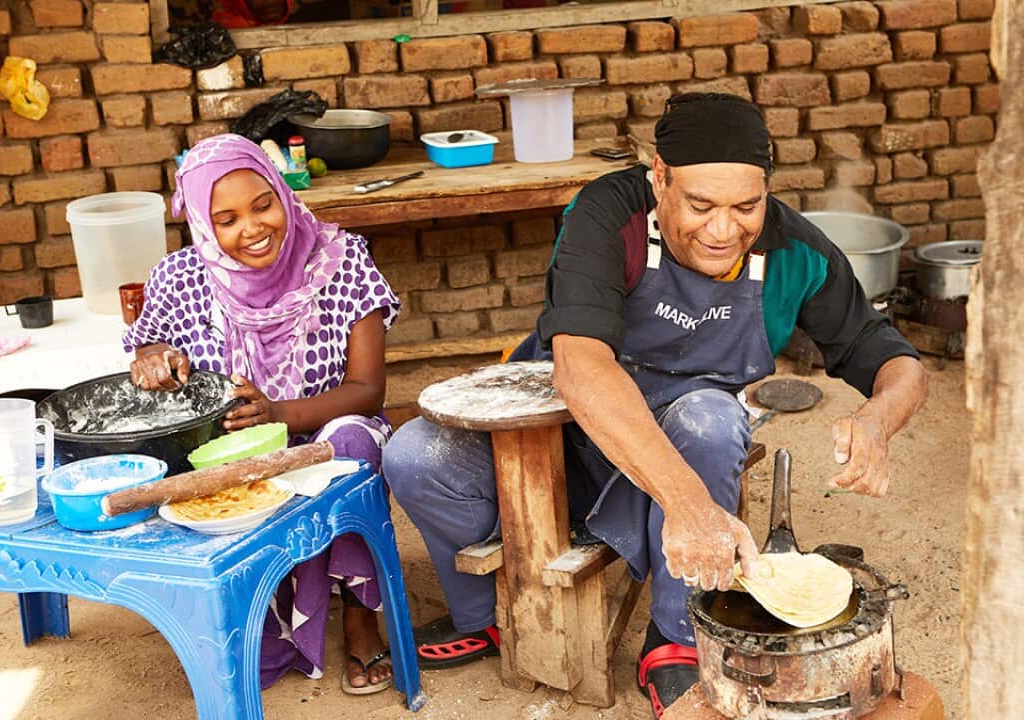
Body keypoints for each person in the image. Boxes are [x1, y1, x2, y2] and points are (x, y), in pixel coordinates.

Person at [382, 93, 928, 717]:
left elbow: (894, 358)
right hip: (563, 432)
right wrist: (691, 507)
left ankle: (673, 639)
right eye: (700, 205)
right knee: (416, 455)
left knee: (712, 418)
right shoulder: (606, 214)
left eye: (746, 206)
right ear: (660, 178)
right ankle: (487, 616)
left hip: (684, 443)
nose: (724, 230)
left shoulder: (794, 251)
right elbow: (583, 370)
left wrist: (878, 419)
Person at [123, 133, 400, 695]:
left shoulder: (341, 261)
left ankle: (358, 617)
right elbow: (146, 351)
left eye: (262, 204)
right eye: (225, 219)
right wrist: (154, 359)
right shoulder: (179, 279)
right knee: (195, 468)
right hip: (234, 445)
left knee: (352, 445)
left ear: (282, 192)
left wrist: (278, 412)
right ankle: (262, 618)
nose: (251, 229)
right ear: (204, 225)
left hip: (326, 426)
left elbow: (369, 391)